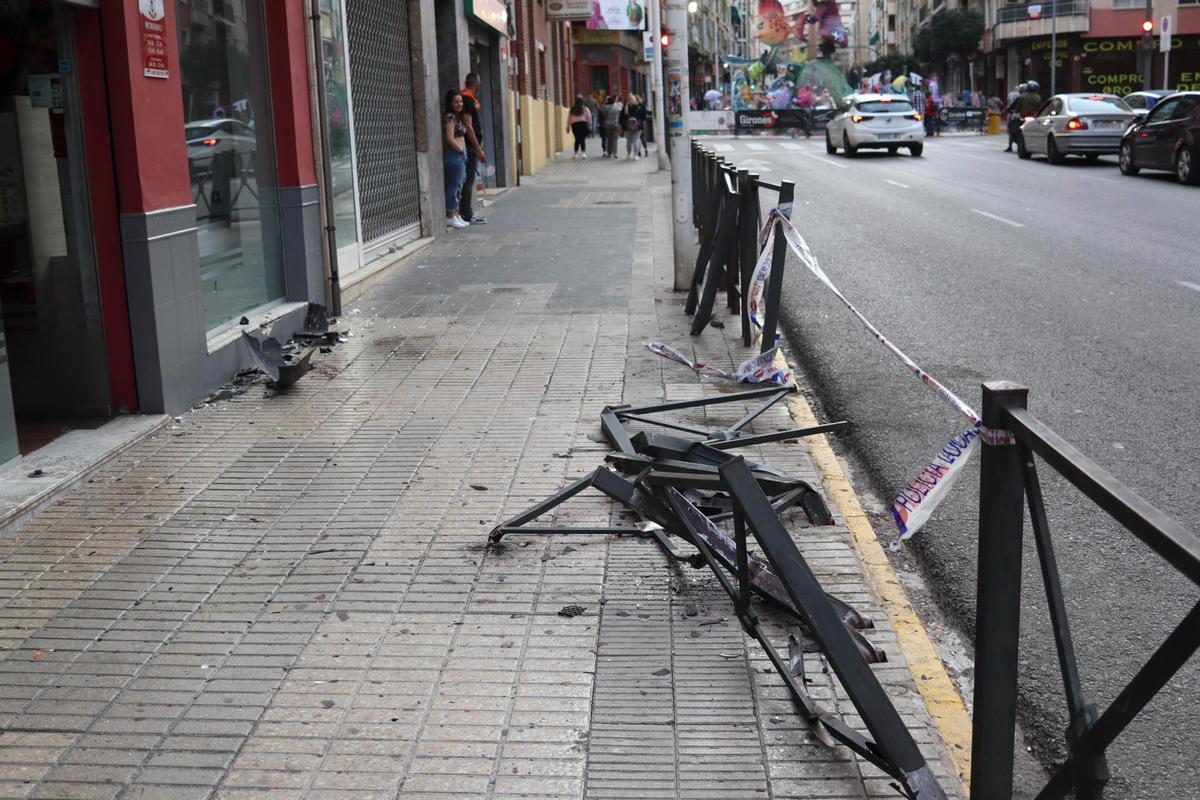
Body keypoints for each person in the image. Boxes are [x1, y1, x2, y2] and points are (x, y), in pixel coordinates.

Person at [458, 72, 487, 225]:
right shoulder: (468, 100)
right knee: (468, 181)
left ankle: (465, 213)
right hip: (469, 148)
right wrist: (478, 148)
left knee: (468, 180)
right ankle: (467, 214)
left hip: (469, 147)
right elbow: (468, 126)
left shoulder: (467, 99)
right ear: (477, 84)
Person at [442, 90, 470, 229]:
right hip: (454, 156)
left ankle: (457, 214)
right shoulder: (450, 117)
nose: (459, 104)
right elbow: (449, 138)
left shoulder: (458, 117)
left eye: (460, 101)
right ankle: (450, 216)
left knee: (459, 186)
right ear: (450, 103)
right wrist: (459, 149)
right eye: (456, 101)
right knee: (453, 187)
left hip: (461, 155)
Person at [621, 94, 646, 159]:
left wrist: (623, 126)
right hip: (638, 127)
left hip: (627, 128)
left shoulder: (624, 108)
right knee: (636, 140)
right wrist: (643, 127)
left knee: (628, 141)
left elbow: (621, 119)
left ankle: (628, 154)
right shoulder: (639, 108)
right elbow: (643, 118)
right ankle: (636, 155)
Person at [567, 95, 592, 159]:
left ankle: (575, 153)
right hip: (583, 124)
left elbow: (569, 118)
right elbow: (588, 117)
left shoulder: (572, 109)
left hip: (575, 126)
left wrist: (568, 126)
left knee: (577, 139)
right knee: (582, 139)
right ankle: (583, 153)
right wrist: (589, 125)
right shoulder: (585, 108)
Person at [601, 94, 623, 159]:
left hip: (607, 124)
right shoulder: (618, 106)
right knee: (615, 139)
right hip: (616, 124)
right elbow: (621, 111)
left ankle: (609, 153)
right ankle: (615, 153)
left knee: (609, 139)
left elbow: (603, 113)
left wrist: (604, 103)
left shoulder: (606, 107)